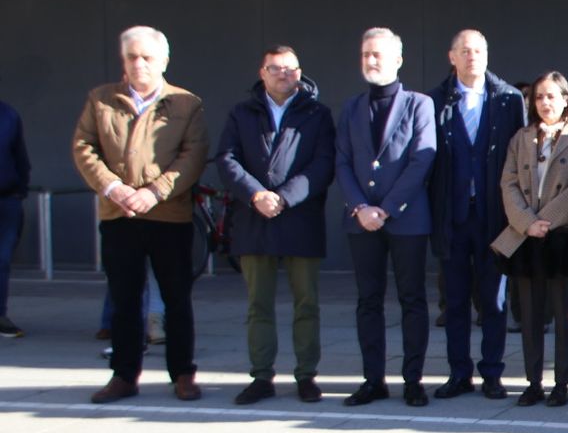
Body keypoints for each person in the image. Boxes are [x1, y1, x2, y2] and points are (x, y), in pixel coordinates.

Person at [72, 26, 209, 403]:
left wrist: (154, 192)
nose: (139, 64)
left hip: (169, 217)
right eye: (132, 57)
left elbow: (193, 155)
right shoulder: (101, 100)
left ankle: (182, 373)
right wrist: (115, 189)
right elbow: (85, 147)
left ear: (164, 60)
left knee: (177, 298)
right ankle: (124, 375)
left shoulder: (186, 103)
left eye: (147, 57)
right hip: (118, 216)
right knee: (124, 298)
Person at [215, 45, 335, 404]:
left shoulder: (317, 114)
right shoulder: (242, 112)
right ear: (262, 72)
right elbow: (227, 159)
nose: (284, 75)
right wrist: (256, 196)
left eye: (291, 69)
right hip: (254, 220)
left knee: (306, 303)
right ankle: (262, 375)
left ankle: (306, 375)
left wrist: (284, 197)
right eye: (276, 69)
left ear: (300, 73)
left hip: (301, 218)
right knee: (259, 304)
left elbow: (324, 163)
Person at [335, 27, 437, 408]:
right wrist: (361, 208)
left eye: (378, 55)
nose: (371, 61)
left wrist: (387, 208)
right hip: (361, 221)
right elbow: (342, 161)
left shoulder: (418, 104)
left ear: (398, 60)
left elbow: (422, 159)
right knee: (368, 301)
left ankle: (413, 380)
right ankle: (372, 379)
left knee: (412, 299)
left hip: (406, 219)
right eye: (365, 54)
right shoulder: (350, 108)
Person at [428, 29, 526, 401]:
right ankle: (458, 372)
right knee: (454, 301)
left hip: (494, 217)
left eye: (479, 50)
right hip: (452, 217)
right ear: (451, 57)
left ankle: (492, 373)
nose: (473, 56)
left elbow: (518, 161)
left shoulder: (508, 100)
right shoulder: (435, 100)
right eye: (465, 51)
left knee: (495, 300)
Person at [494, 71, 568, 407]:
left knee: (565, 314)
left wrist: (545, 221)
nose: (545, 102)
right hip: (527, 237)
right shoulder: (521, 137)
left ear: (566, 98)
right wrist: (526, 222)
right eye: (538, 97)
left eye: (552, 96)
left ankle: (562, 382)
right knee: (530, 315)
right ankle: (533, 381)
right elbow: (507, 182)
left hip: (562, 236)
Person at [0, 93, 29, 339]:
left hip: (6, 199)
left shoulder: (8, 115)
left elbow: (20, 155)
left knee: (2, 260)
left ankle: (0, 314)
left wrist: (21, 190)